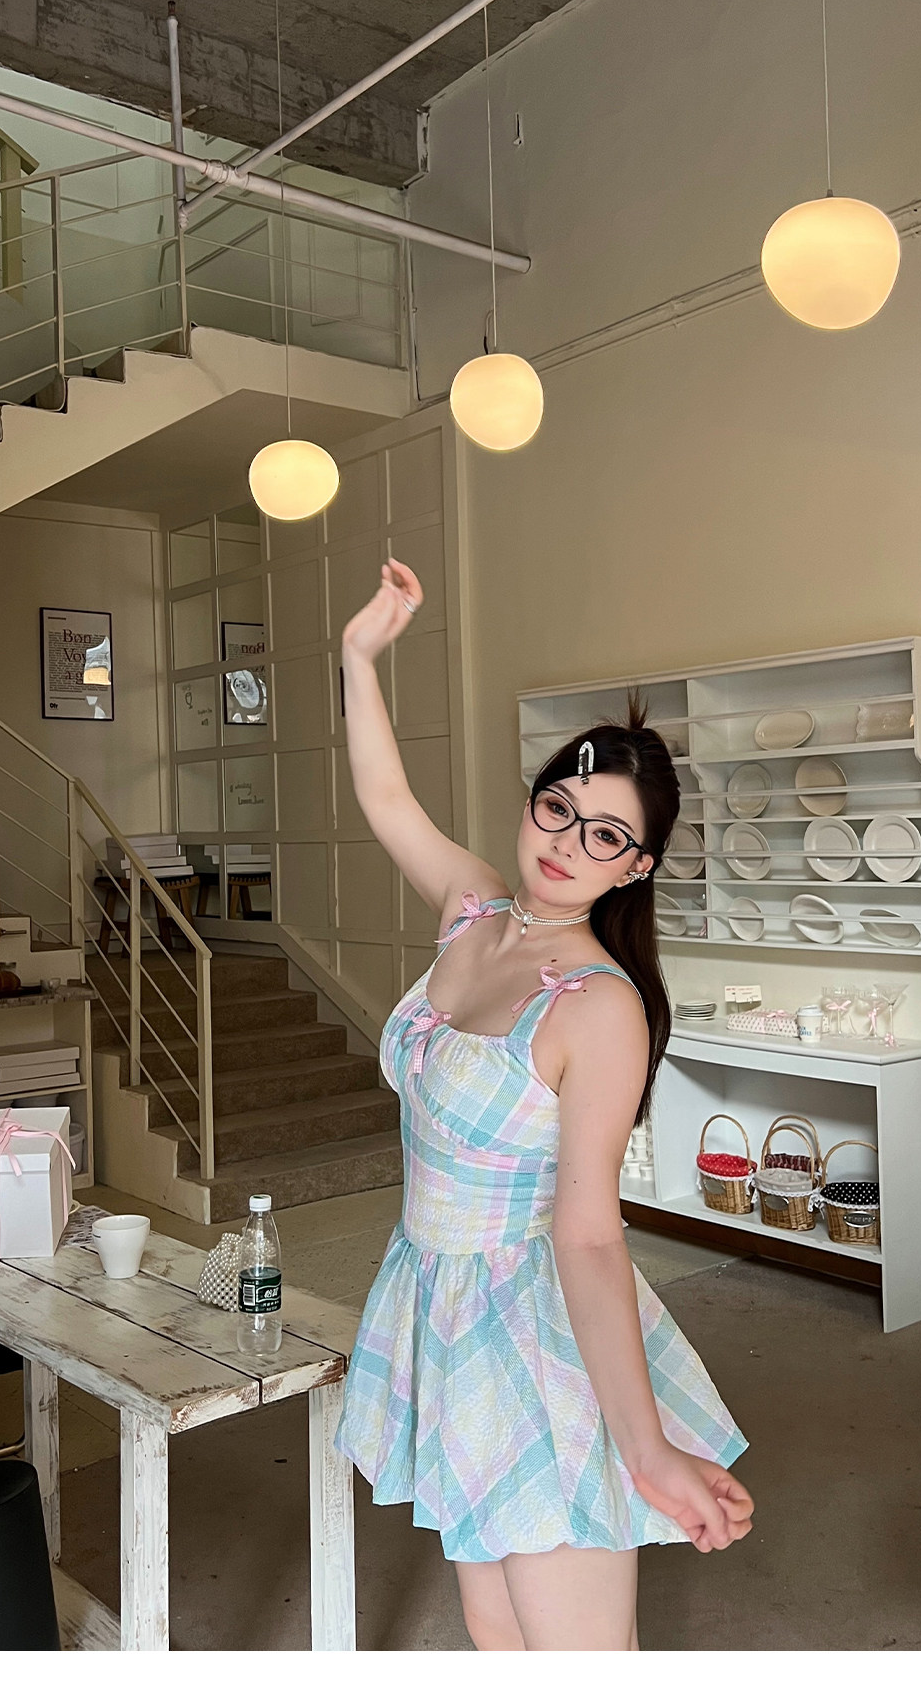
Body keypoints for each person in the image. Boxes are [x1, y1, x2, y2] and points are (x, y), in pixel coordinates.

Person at [334, 558, 754, 1651]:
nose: (566, 843)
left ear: (636, 865)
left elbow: (589, 1233)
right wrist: (359, 655)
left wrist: (647, 1447)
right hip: (440, 1304)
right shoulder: (473, 910)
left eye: (604, 833)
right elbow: (386, 798)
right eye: (558, 807)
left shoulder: (600, 1008)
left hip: (534, 1326)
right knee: (497, 1633)